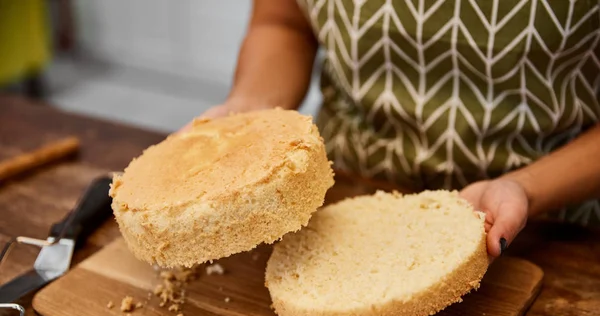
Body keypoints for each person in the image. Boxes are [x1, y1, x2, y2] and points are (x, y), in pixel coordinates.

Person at [194, 0, 600, 258]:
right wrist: (250, 112)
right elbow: (284, 22)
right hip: (338, 200)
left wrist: (527, 187)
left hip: (553, 231)